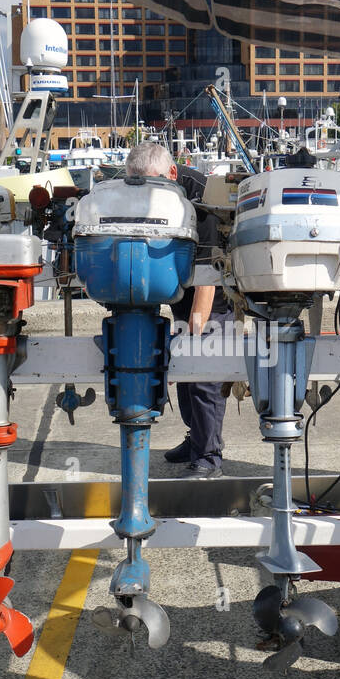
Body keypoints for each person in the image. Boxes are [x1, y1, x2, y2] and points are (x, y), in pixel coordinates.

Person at [124, 141, 231, 478]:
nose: (147, 195)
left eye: (155, 185)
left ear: (172, 173)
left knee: (202, 375)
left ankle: (209, 455)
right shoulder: (148, 191)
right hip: (182, 293)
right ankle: (196, 438)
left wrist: (194, 334)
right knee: (184, 378)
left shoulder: (204, 201)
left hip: (215, 295)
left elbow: (208, 280)